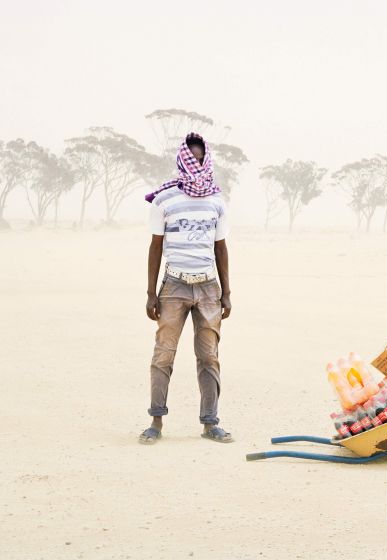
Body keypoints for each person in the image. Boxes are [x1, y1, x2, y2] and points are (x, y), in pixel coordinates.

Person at [139, 132, 233, 444]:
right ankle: (156, 422)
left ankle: (210, 423)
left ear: (208, 161)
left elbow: (221, 248)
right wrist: (152, 293)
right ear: (182, 160)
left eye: (201, 159)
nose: (197, 164)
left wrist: (226, 293)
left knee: (209, 357)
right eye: (191, 158)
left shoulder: (216, 202)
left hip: (208, 288)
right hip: (173, 287)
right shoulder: (165, 200)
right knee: (164, 355)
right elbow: (156, 248)